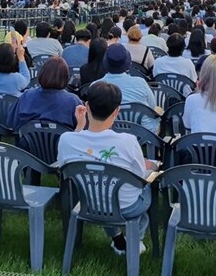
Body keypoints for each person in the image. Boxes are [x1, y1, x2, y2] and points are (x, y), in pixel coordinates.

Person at [57, 81, 157, 255]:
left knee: (102, 191)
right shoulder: (128, 141)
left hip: (90, 202)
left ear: (86, 106)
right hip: (127, 207)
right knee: (147, 187)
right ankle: (135, 241)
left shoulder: (67, 139)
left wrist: (79, 126)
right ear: (117, 111)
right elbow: (140, 176)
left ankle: (118, 240)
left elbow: (63, 164)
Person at [95, 44, 158, 133]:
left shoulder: (96, 86)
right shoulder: (140, 83)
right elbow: (152, 106)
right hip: (143, 133)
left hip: (110, 131)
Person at [8, 57, 82, 130]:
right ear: (66, 77)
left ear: (42, 73)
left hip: (30, 141)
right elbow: (83, 128)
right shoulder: (73, 101)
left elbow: (12, 123)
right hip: (60, 141)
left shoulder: (26, 96)